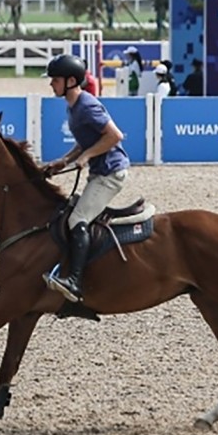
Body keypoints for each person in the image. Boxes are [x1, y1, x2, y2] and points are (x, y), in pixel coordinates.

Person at [41, 53, 129, 304]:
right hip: (100, 171)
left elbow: (114, 136)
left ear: (70, 81)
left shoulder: (87, 105)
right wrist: (65, 160)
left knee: (77, 219)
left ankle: (76, 281)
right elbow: (86, 140)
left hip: (110, 173)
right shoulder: (73, 106)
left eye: (55, 80)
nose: (51, 84)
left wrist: (87, 156)